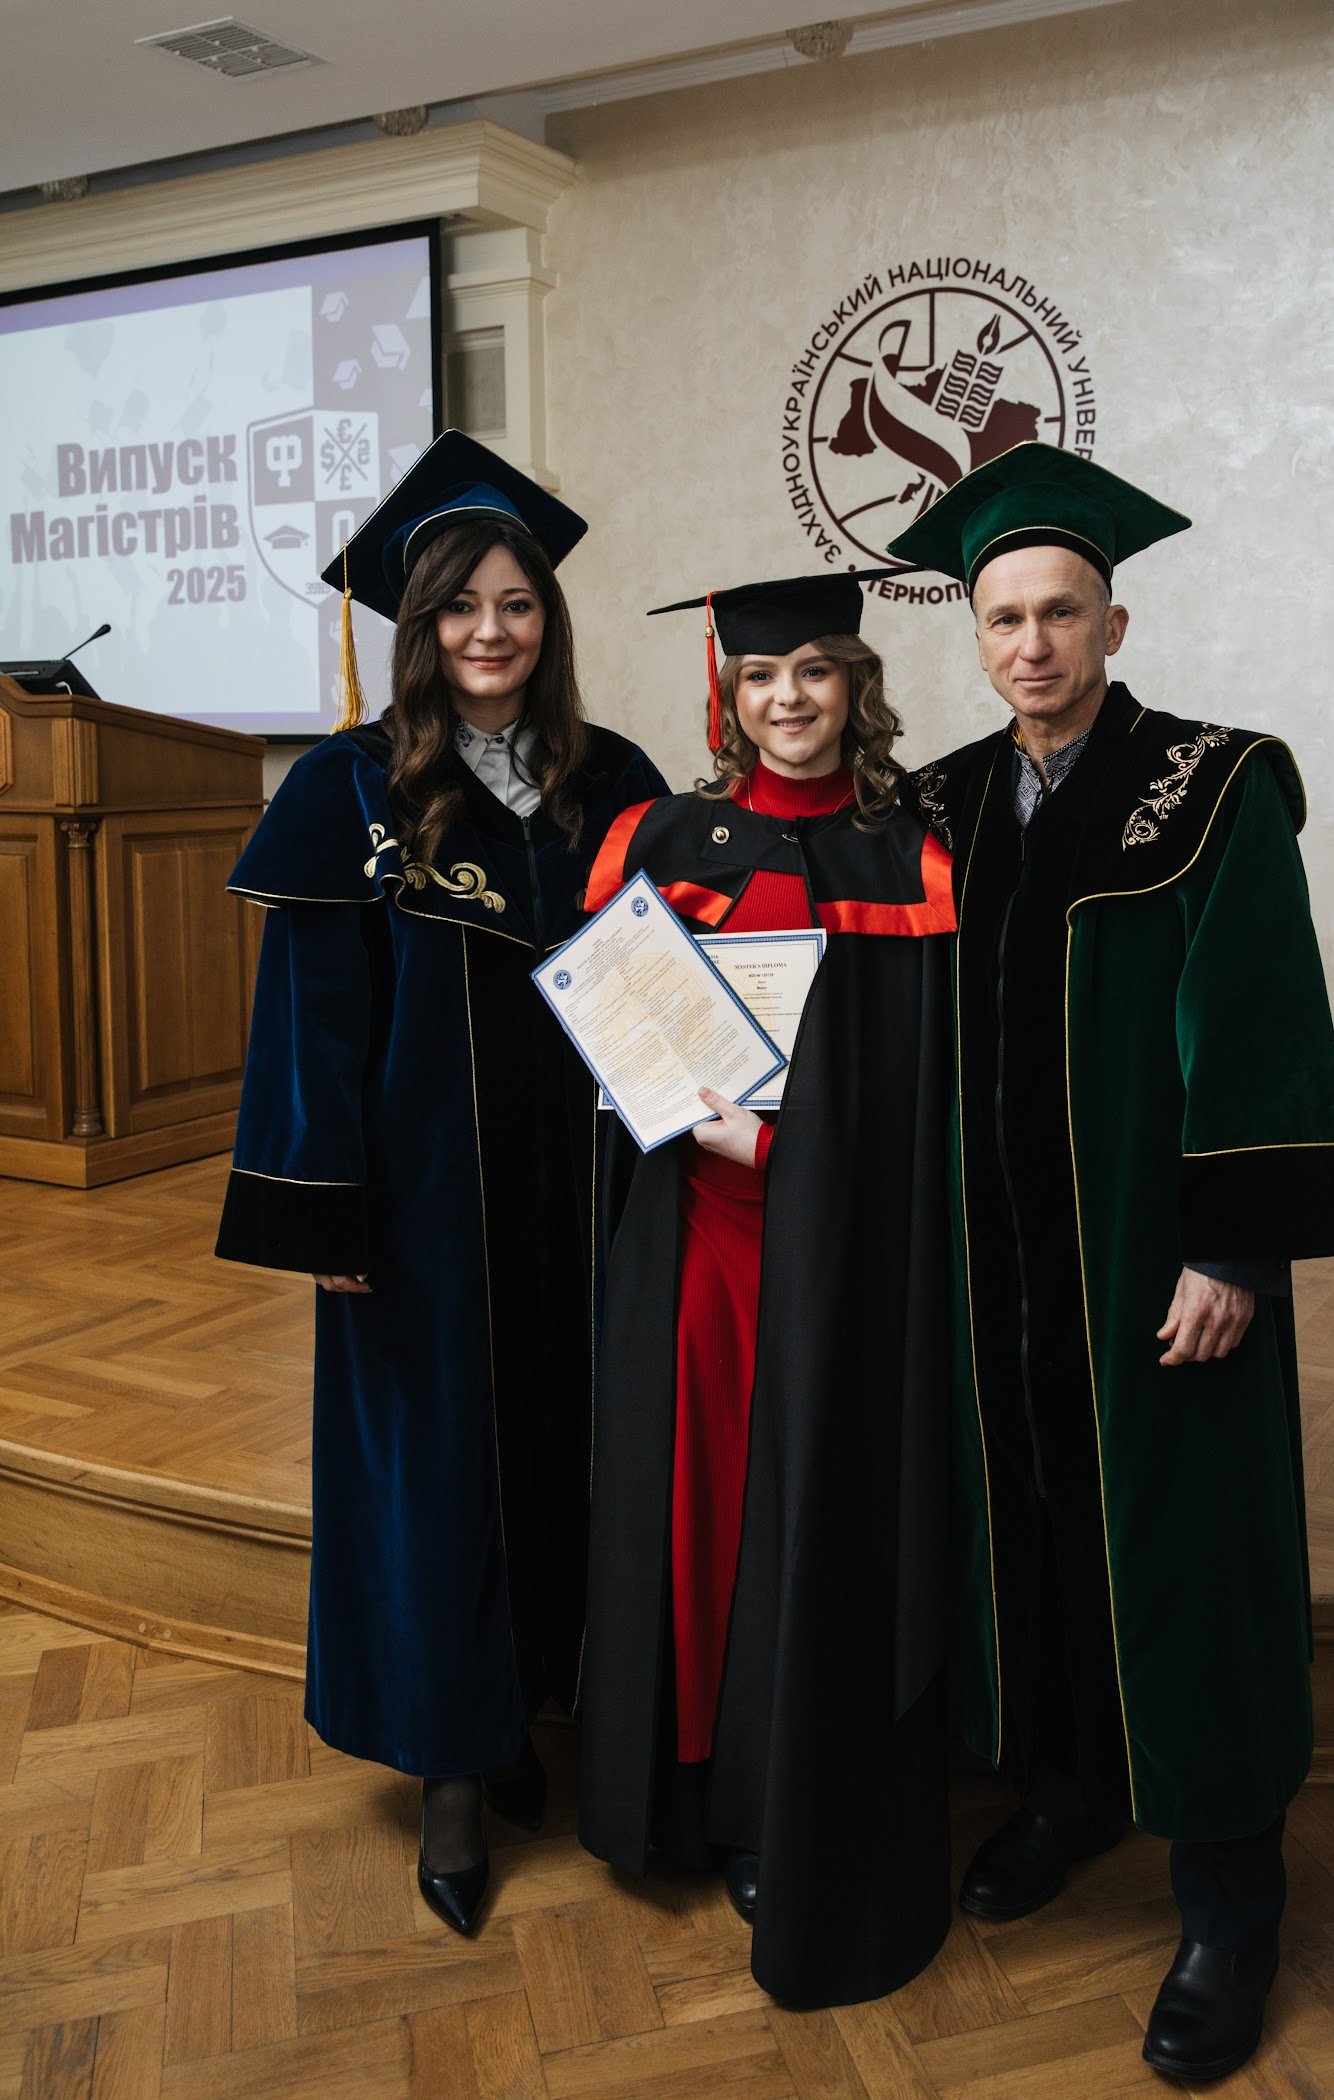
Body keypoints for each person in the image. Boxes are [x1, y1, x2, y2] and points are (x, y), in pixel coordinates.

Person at [888, 446, 1334, 2085]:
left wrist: (1235, 1246)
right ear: (974, 635)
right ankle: (1070, 1790)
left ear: (1114, 623)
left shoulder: (1214, 788)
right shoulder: (941, 806)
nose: (1031, 644)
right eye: (1002, 617)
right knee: (1027, 1527)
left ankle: (1231, 1899)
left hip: (1152, 1266)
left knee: (1189, 1553)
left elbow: (1260, 1021)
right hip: (996, 1270)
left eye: (1060, 613)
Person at [215, 431, 666, 1938]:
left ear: (549, 619)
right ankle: (452, 1774)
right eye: (461, 605)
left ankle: (538, 1705)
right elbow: (313, 1018)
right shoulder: (348, 788)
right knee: (435, 1475)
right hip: (421, 1206)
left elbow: (660, 980)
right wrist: (322, 1203)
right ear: (418, 627)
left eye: (517, 603)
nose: (491, 630)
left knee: (566, 1444)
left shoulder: (610, 780)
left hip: (587, 1192)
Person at [577, 572, 957, 2009]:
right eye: (759, 677)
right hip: (695, 1233)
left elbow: (921, 1089)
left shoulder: (909, 853)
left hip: (844, 1249)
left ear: (857, 683)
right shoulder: (660, 838)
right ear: (725, 697)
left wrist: (790, 1153)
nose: (787, 699)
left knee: (800, 1517)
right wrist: (705, 1125)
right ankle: (673, 1789)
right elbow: (622, 1028)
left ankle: (766, 1797)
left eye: (813, 671)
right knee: (692, 1510)